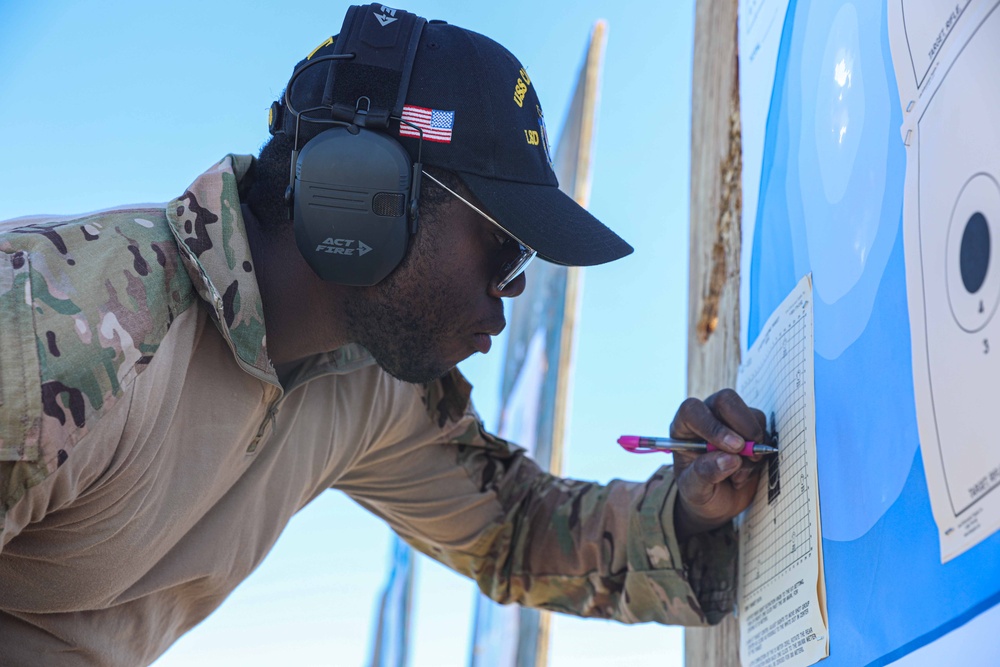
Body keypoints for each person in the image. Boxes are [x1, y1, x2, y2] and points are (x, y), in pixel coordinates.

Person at [0, 5, 767, 664]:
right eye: (505, 246)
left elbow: (513, 528)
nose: (512, 292)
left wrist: (691, 510)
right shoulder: (66, 325)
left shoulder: (370, 383)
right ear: (362, 193)